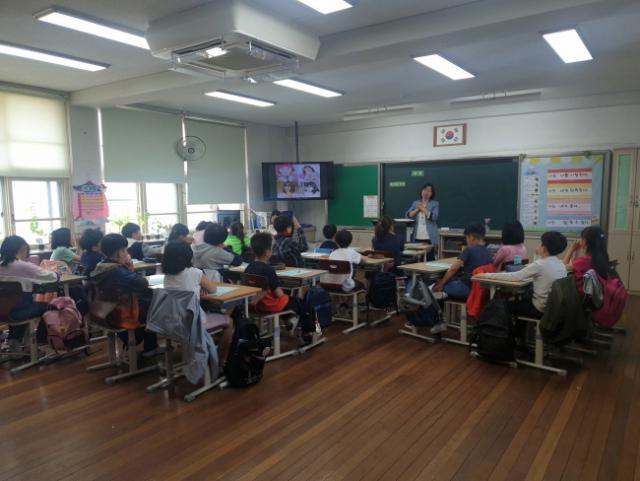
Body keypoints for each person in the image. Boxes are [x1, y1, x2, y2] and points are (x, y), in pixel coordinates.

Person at [161, 241, 235, 366]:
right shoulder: (195, 272)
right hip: (193, 323)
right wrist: (199, 288)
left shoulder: (167, 277)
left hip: (172, 322)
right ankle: (219, 362)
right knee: (229, 321)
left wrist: (197, 289)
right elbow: (213, 289)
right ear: (188, 256)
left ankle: (205, 349)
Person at [92, 234, 160, 356]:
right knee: (155, 303)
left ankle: (146, 343)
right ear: (119, 252)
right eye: (125, 250)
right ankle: (151, 346)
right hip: (123, 315)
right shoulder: (117, 271)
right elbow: (142, 283)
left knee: (147, 301)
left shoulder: (100, 267)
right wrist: (129, 266)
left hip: (105, 313)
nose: (127, 253)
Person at [478, 231, 568, 319]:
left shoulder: (540, 265)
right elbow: (538, 267)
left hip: (539, 308)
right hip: (553, 308)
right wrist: (537, 254)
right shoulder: (560, 264)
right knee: (522, 298)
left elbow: (515, 277)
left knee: (501, 305)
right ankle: (521, 328)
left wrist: (486, 275)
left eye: (540, 243)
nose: (538, 245)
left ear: (544, 247)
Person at [246, 233, 311, 343]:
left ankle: (289, 321)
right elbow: (279, 294)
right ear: (267, 252)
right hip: (271, 304)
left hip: (257, 304)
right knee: (302, 303)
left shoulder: (249, 267)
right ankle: (306, 334)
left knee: (289, 300)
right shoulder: (268, 269)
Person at [0, 236, 59, 351]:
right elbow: (52, 277)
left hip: (2, 312)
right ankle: (39, 340)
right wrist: (58, 273)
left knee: (18, 305)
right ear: (23, 248)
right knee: (51, 307)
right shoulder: (23, 265)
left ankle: (15, 341)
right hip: (18, 312)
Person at [432, 223, 493, 303]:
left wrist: (442, 284)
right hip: (482, 290)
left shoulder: (469, 250)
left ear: (471, 237)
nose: (466, 241)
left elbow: (453, 269)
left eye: (466, 238)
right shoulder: (489, 252)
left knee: (435, 287)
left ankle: (439, 306)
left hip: (467, 289)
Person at [564, 225, 610, 296]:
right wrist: (576, 251)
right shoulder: (602, 257)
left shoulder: (585, 260)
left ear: (585, 241)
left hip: (581, 296)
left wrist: (571, 249)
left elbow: (563, 267)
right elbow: (574, 265)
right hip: (596, 294)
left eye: (581, 238)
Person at [405, 183, 439, 261]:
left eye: (429, 191)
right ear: (421, 191)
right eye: (425, 190)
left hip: (429, 237)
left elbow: (434, 217)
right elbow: (408, 215)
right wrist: (417, 209)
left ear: (432, 194)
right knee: (417, 259)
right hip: (417, 236)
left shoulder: (435, 204)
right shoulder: (416, 203)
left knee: (430, 258)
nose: (426, 192)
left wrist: (422, 208)